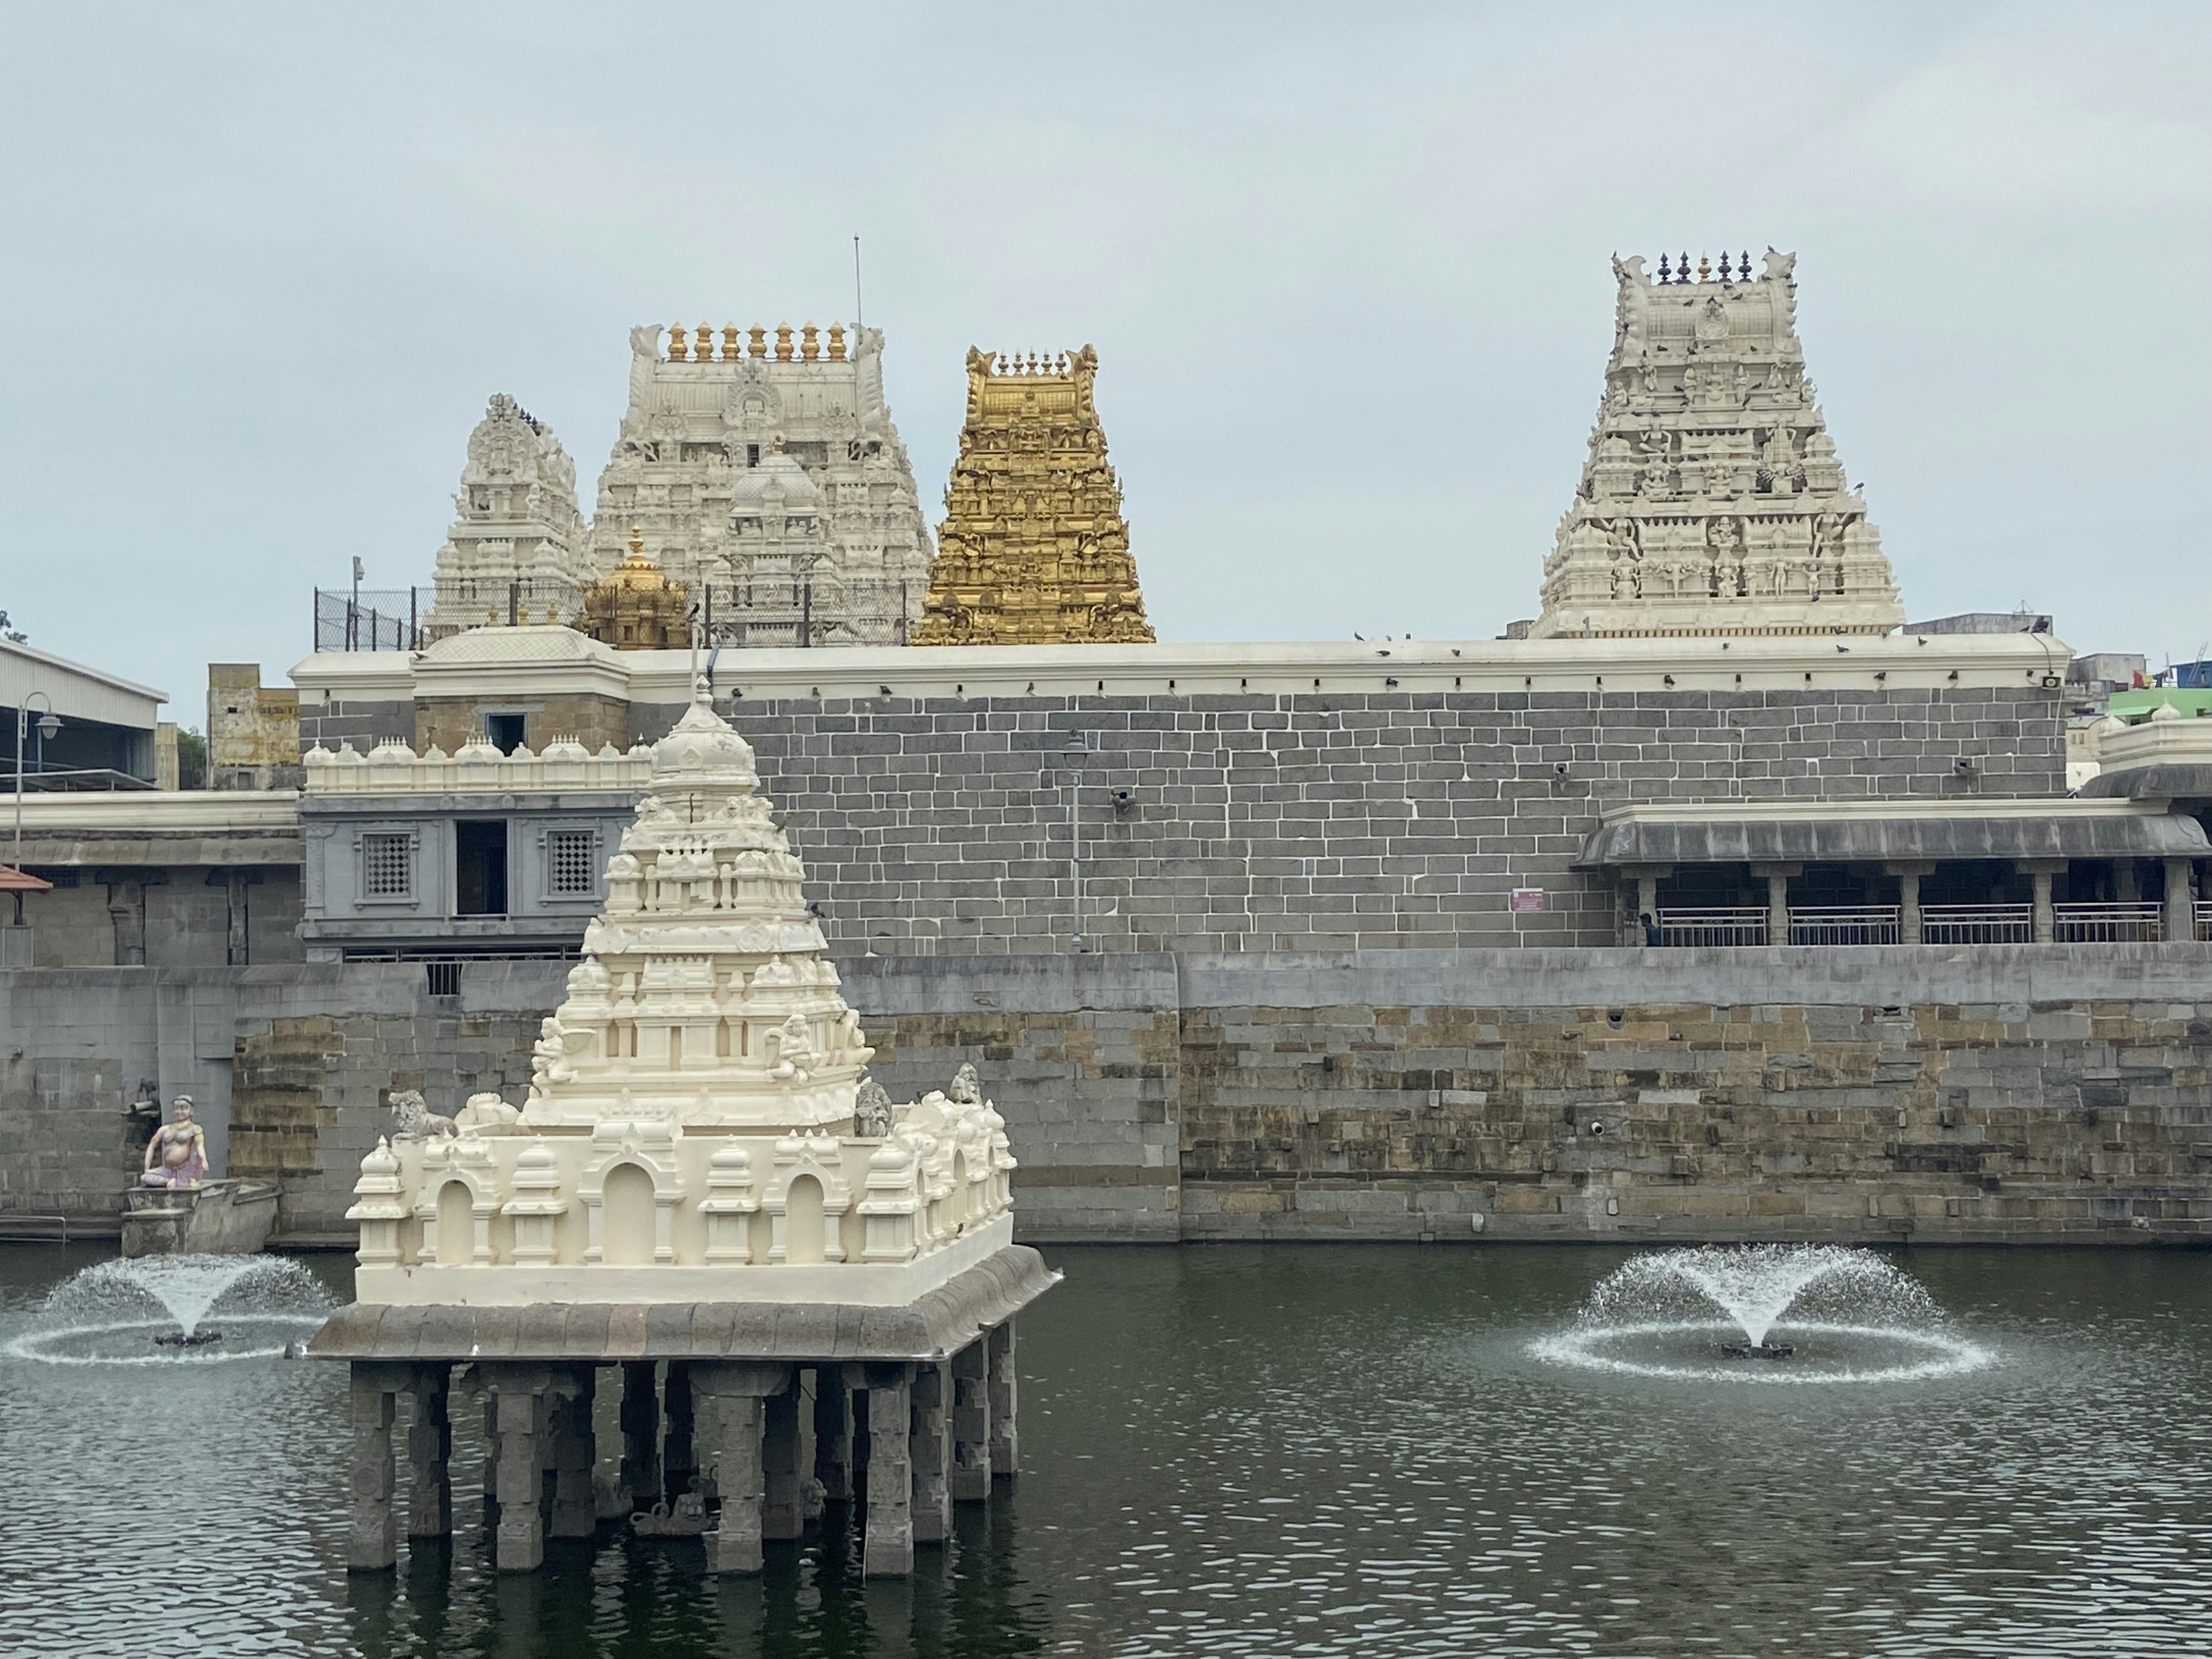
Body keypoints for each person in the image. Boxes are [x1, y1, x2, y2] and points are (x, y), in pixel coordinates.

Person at [141, 1096, 209, 1188]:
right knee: (145, 1178)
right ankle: (167, 1181)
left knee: (197, 1159)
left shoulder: (195, 1129)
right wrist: (147, 1168)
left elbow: (199, 1146)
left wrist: (204, 1160)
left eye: (184, 1108)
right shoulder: (165, 1129)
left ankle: (190, 1179)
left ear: (191, 1111)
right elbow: (152, 1146)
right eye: (177, 1108)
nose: (180, 1112)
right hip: (168, 1170)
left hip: (186, 1169)